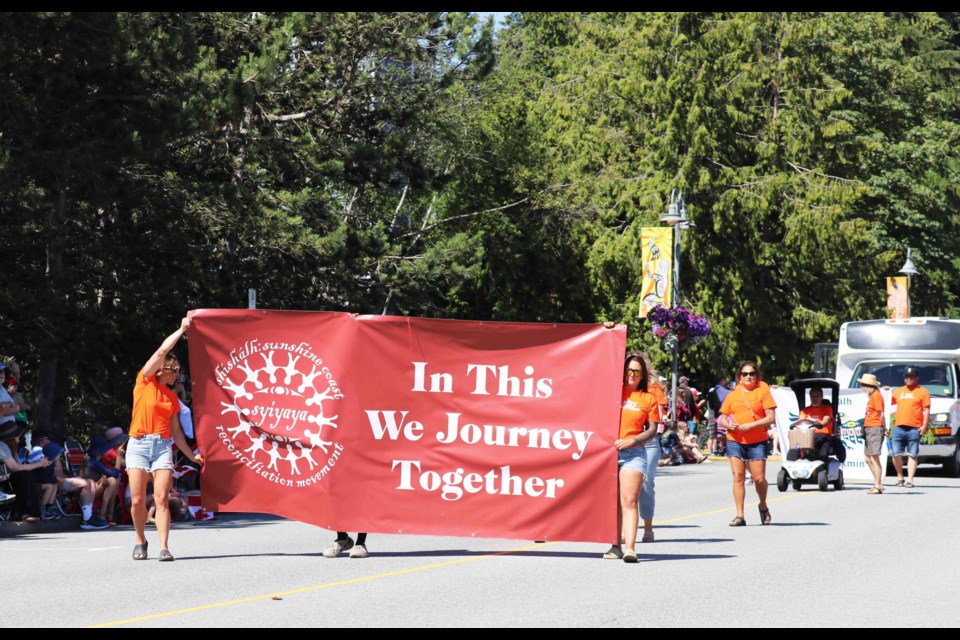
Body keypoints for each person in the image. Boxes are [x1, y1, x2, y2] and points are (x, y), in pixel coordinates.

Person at [127, 317, 203, 561]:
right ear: (162, 369)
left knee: (161, 497)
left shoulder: (171, 398)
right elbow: (162, 350)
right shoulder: (144, 382)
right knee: (138, 500)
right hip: (138, 444)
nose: (178, 375)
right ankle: (140, 539)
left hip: (161, 447)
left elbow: (177, 434)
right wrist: (182, 330)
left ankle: (164, 547)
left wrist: (193, 457)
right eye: (176, 370)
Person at [603, 352, 659, 563]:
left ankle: (630, 548)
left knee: (629, 500)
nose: (632, 375)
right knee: (612, 504)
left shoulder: (648, 399)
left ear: (643, 375)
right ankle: (615, 545)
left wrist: (632, 441)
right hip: (607, 453)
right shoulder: (613, 393)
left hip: (633, 453)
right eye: (628, 371)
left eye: (637, 371)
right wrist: (608, 331)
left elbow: (652, 430)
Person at [719, 361, 776, 526]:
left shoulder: (763, 392)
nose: (748, 377)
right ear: (739, 377)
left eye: (752, 373)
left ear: (757, 376)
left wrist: (751, 425)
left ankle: (763, 505)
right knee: (738, 477)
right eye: (745, 374)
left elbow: (770, 417)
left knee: (759, 479)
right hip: (735, 440)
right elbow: (722, 417)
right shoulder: (733, 395)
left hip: (757, 441)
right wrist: (728, 425)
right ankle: (740, 515)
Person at [637, 355, 665, 544]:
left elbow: (659, 415)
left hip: (649, 440)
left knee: (646, 482)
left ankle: (648, 528)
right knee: (624, 486)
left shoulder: (654, 388)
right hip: (626, 439)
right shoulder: (622, 388)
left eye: (637, 370)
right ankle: (624, 529)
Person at [0, 421, 52, 522]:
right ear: (12, 437)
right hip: (3, 478)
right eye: (18, 437)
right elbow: (15, 467)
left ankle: (26, 513)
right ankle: (30, 513)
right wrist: (38, 464)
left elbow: (20, 466)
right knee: (24, 475)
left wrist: (39, 464)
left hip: (10, 477)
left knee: (27, 475)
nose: (19, 440)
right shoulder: (2, 446)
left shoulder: (12, 448)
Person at [890, 365, 930, 489]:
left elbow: (926, 411)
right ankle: (900, 477)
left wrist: (924, 425)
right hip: (898, 427)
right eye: (906, 376)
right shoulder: (898, 392)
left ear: (916, 378)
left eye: (911, 376)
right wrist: (885, 392)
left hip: (914, 428)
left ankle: (910, 480)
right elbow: (888, 406)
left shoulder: (923, 392)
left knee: (912, 455)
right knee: (896, 454)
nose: (909, 378)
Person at [857, 373, 886, 494]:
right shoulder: (872, 396)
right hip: (869, 427)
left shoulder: (876, 396)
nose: (862, 387)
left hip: (875, 427)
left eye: (863, 385)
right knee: (868, 459)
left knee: (874, 458)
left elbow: (881, 414)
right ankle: (878, 483)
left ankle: (878, 485)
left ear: (867, 386)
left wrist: (884, 428)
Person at [799, 387, 834, 462]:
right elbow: (800, 421)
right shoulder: (805, 410)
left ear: (821, 397)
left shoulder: (827, 408)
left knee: (823, 448)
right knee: (794, 448)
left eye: (817, 396)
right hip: (807, 435)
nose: (815, 398)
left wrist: (817, 423)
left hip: (823, 435)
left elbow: (825, 420)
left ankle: (824, 467)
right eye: (812, 396)